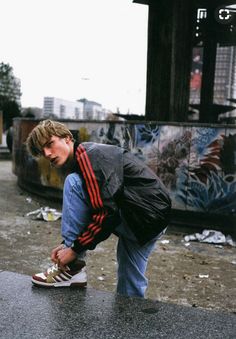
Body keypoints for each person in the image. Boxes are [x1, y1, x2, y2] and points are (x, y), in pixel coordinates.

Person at [26, 119, 171, 297]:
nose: (47, 154)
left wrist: (72, 250)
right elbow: (103, 206)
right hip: (151, 218)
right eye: (42, 151)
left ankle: (71, 269)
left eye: (50, 144)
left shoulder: (88, 156)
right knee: (130, 283)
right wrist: (67, 245)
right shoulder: (90, 155)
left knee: (73, 183)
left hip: (143, 212)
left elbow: (107, 213)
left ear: (67, 138)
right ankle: (130, 320)